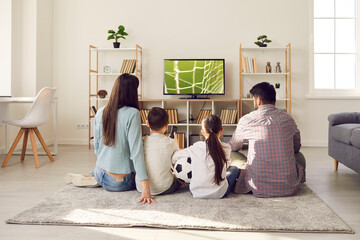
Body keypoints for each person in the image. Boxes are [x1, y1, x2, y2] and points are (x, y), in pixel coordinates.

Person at [66, 73, 155, 204]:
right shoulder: (133, 113)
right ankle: (92, 176)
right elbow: (136, 152)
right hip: (123, 183)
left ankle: (92, 176)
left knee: (100, 166)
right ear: (132, 92)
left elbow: (96, 146)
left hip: (103, 175)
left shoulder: (101, 112)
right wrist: (145, 187)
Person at [229, 82, 306, 198]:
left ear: (258, 100)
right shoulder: (288, 118)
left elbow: (233, 146)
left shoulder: (247, 120)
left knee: (232, 153)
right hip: (288, 187)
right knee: (299, 156)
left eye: (253, 99)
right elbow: (296, 146)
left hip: (258, 186)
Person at [172, 115, 240, 199]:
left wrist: (176, 145)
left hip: (196, 192)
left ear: (203, 132)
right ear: (221, 131)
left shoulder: (196, 147)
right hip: (219, 193)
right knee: (234, 169)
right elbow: (225, 167)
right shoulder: (227, 148)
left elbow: (174, 156)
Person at [135, 107, 180, 195]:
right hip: (164, 188)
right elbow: (177, 160)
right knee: (177, 180)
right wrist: (176, 144)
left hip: (141, 187)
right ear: (166, 126)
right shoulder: (171, 142)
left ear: (147, 123)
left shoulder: (142, 140)